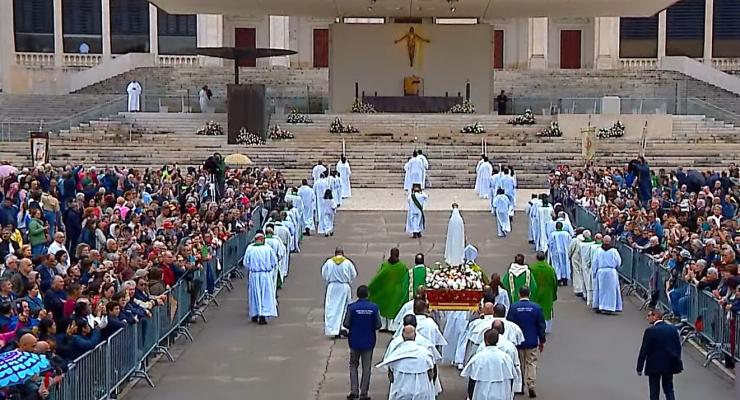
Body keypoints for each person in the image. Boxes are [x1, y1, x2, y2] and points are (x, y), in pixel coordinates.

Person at [376, 326, 436, 400]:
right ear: (415, 336)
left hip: (401, 392)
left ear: (403, 337)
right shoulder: (425, 354)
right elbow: (431, 374)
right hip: (421, 392)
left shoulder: (396, 354)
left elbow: (391, 377)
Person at [507, 286, 546, 398]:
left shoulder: (514, 308)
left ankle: (520, 385)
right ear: (529, 294)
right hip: (532, 340)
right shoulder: (536, 308)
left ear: (519, 294)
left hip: (518, 342)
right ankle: (531, 384)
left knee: (519, 363)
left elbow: (510, 325)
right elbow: (541, 325)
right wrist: (542, 340)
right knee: (531, 363)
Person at [344, 285, 381, 400]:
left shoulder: (352, 307)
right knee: (367, 368)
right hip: (369, 341)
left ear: (357, 295)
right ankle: (364, 393)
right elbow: (378, 324)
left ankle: (354, 391)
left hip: (354, 341)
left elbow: (346, 324)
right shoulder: (373, 308)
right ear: (368, 294)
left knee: (353, 365)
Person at [636, 309, 683, 400]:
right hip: (669, 364)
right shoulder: (672, 329)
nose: (647, 318)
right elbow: (678, 346)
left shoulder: (650, 331)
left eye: (649, 315)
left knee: (654, 391)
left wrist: (639, 367)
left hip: (654, 365)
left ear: (656, 316)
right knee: (669, 389)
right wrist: (677, 361)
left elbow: (644, 349)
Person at [461, 329, 517, 400]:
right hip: (501, 394)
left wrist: (470, 395)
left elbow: (472, 379)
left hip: (481, 394)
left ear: (485, 340)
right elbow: (511, 378)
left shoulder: (478, 357)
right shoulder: (505, 358)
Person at [368, 248, 409, 331]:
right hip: (396, 291)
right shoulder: (402, 266)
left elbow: (378, 277)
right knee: (393, 309)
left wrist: (370, 287)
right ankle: (391, 326)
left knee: (383, 308)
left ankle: (383, 325)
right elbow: (406, 278)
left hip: (384, 290)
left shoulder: (385, 265)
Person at [243, 233, 279, 325]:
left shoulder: (250, 248)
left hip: (254, 274)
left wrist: (252, 267)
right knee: (264, 295)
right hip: (265, 275)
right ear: (262, 239)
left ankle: (255, 313)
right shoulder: (267, 248)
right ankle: (263, 314)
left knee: (254, 295)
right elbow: (274, 261)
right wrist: (269, 268)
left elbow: (246, 262)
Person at [322, 247, 357, 338]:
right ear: (342, 253)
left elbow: (324, 274)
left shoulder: (329, 262)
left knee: (332, 308)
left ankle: (333, 329)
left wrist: (330, 280)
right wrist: (348, 280)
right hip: (344, 287)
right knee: (344, 308)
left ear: (335, 253)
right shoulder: (347, 262)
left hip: (332, 286)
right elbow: (354, 274)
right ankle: (342, 327)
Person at [591, 235, 623, 314]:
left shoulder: (598, 251)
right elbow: (619, 262)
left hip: (601, 271)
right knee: (611, 290)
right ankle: (610, 307)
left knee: (601, 289)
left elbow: (594, 262)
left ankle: (600, 305)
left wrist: (594, 272)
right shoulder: (614, 251)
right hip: (611, 272)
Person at [528, 252, 558, 334]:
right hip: (547, 292)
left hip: (536, 291)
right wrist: (554, 293)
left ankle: (536, 326)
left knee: (536, 308)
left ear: (536, 258)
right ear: (544, 258)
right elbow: (554, 281)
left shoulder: (532, 268)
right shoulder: (550, 269)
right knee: (547, 309)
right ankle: (547, 328)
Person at [547, 222, 572, 286]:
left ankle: (558, 278)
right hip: (565, 252)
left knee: (557, 265)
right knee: (564, 264)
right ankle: (565, 278)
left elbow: (550, 243)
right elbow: (570, 242)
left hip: (556, 252)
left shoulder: (553, 234)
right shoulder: (566, 234)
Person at [264, 225, 287, 290]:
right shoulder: (276, 241)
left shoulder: (264, 241)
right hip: (274, 263)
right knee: (273, 280)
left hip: (264, 263)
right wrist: (277, 260)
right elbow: (280, 253)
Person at [568, 228, 586, 297]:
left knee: (576, 273)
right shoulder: (585, 239)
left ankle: (578, 289)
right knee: (583, 273)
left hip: (575, 257)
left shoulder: (575, 240)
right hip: (583, 258)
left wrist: (569, 256)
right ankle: (584, 289)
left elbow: (571, 249)